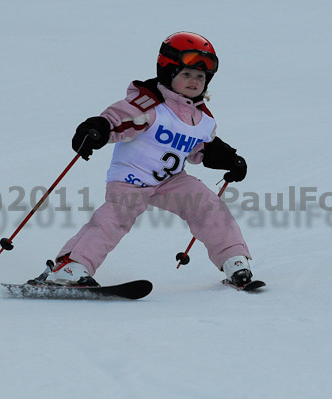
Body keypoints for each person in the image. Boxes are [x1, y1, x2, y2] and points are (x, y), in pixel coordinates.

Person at [47, 32, 254, 287]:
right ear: (168, 72)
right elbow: (117, 120)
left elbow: (202, 148)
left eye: (200, 76)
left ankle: (235, 261)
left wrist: (229, 159)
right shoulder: (148, 104)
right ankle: (70, 267)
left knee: (207, 205)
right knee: (115, 218)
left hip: (171, 180)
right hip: (130, 179)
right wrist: (97, 129)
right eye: (187, 74)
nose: (194, 81)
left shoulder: (202, 118)